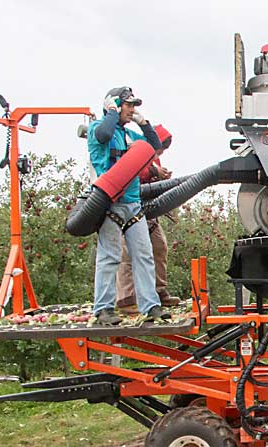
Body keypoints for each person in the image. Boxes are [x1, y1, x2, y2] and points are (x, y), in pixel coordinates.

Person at [87, 86, 167, 325]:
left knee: (144, 255)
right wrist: (111, 113)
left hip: (133, 204)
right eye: (128, 105)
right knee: (109, 257)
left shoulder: (129, 135)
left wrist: (144, 123)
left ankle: (151, 307)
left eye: (134, 106)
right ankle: (103, 309)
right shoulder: (98, 129)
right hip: (109, 202)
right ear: (113, 105)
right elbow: (103, 135)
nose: (132, 110)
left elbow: (154, 146)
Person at [115, 124, 182, 314]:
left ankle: (159, 291)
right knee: (127, 254)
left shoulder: (155, 160)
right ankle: (126, 299)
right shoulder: (135, 152)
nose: (160, 153)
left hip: (149, 213)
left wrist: (162, 178)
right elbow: (132, 171)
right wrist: (154, 172)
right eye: (160, 148)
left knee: (159, 247)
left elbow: (152, 178)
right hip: (127, 209)